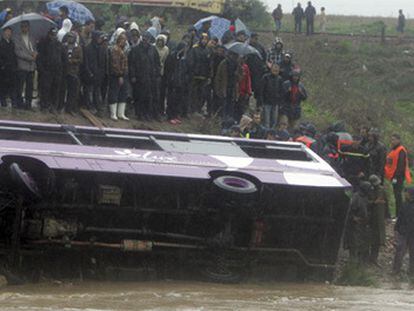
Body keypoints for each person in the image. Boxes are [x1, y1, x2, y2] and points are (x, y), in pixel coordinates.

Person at [128, 31, 161, 120]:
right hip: (139, 77)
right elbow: (132, 64)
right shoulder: (135, 50)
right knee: (139, 96)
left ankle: (148, 113)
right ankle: (139, 114)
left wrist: (157, 74)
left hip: (151, 77)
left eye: (148, 39)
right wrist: (133, 76)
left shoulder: (153, 50)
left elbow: (157, 63)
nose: (146, 40)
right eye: (144, 38)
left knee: (149, 97)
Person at [37, 28, 64, 113]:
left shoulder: (59, 44)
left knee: (55, 90)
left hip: (57, 71)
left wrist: (61, 69)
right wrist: (41, 69)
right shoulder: (43, 43)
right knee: (45, 89)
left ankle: (53, 106)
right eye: (52, 34)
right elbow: (40, 57)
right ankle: (44, 106)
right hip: (46, 70)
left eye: (55, 35)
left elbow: (63, 57)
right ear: (49, 34)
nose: (53, 36)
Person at [385, 134, 412, 217]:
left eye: (394, 140)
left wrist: (396, 177)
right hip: (393, 176)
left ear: (398, 140)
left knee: (398, 196)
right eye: (391, 140)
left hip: (398, 177)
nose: (392, 141)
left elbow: (400, 165)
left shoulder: (401, 150)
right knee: (396, 196)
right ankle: (398, 214)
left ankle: (399, 215)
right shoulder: (394, 150)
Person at [165, 42, 190, 124]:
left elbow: (186, 70)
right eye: (184, 48)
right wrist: (170, 79)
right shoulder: (172, 56)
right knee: (171, 99)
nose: (185, 50)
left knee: (178, 100)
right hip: (173, 82)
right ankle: (170, 116)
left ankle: (175, 115)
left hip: (181, 82)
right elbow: (168, 69)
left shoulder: (184, 58)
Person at [14, 21, 37, 110]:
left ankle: (28, 104)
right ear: (21, 28)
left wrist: (35, 54)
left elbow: (35, 49)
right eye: (23, 27)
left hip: (31, 67)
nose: (25, 28)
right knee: (20, 86)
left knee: (30, 87)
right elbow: (18, 52)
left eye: (26, 26)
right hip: (22, 66)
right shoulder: (17, 38)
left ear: (28, 27)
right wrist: (30, 57)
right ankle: (19, 103)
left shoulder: (32, 38)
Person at [83, 31, 107, 115]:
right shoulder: (88, 48)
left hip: (99, 74)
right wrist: (89, 72)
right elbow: (86, 62)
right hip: (90, 74)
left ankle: (97, 107)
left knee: (97, 92)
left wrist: (102, 73)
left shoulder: (101, 49)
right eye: (99, 38)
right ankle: (89, 106)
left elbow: (103, 62)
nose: (100, 40)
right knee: (88, 91)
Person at [392, 187, 414, 277]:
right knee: (400, 251)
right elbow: (400, 218)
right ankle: (396, 270)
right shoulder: (404, 204)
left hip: (412, 233)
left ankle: (412, 272)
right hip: (403, 232)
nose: (405, 194)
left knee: (413, 253)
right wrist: (396, 229)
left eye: (407, 193)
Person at [187, 33, 211, 115]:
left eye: (206, 39)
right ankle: (191, 109)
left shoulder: (207, 50)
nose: (204, 41)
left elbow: (209, 64)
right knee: (193, 93)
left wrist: (209, 76)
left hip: (204, 76)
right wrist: (193, 72)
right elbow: (191, 62)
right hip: (195, 75)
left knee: (201, 94)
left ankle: (198, 108)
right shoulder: (194, 49)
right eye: (203, 39)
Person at [348, 181, 371, 264]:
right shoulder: (356, 197)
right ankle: (353, 262)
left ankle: (361, 262)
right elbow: (350, 210)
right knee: (354, 243)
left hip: (363, 224)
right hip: (355, 225)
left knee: (363, 243)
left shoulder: (365, 196)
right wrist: (354, 218)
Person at [214, 51, 241, 121]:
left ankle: (229, 119)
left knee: (231, 104)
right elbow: (218, 77)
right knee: (224, 104)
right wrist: (218, 89)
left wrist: (237, 74)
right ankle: (222, 118)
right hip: (225, 87)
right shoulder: (224, 63)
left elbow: (240, 78)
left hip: (233, 88)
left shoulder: (237, 65)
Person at [108, 33, 129, 121]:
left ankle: (121, 113)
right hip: (116, 75)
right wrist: (119, 75)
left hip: (123, 75)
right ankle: (113, 113)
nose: (124, 41)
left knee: (123, 93)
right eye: (122, 39)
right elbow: (115, 64)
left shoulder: (123, 50)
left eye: (125, 40)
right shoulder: (115, 49)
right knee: (114, 93)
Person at [62, 31, 83, 115]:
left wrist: (72, 61)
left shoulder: (78, 48)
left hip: (74, 71)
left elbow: (81, 60)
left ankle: (70, 108)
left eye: (72, 37)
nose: (70, 38)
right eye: (69, 37)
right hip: (64, 70)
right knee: (62, 90)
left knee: (73, 91)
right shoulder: (64, 46)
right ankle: (60, 107)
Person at [368, 174, 387, 265]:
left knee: (378, 239)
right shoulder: (369, 191)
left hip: (380, 218)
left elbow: (385, 202)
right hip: (371, 219)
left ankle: (374, 258)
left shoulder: (382, 190)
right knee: (370, 239)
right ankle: (367, 258)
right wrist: (374, 202)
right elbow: (367, 203)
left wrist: (388, 216)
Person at [260, 64, 283, 129]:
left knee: (274, 121)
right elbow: (261, 90)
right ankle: (266, 134)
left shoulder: (280, 79)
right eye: (274, 68)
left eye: (277, 68)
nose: (275, 70)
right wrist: (261, 102)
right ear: (271, 69)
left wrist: (280, 102)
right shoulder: (266, 77)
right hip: (266, 102)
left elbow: (281, 91)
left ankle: (272, 134)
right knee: (266, 121)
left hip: (275, 103)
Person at [0, 26, 17, 107]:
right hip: (4, 68)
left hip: (12, 68)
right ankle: (3, 102)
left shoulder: (12, 43)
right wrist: (2, 65)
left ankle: (14, 102)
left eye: (10, 32)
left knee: (12, 85)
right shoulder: (1, 43)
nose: (8, 33)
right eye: (7, 32)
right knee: (3, 85)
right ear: (4, 33)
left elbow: (14, 55)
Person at [155, 34, 169, 118]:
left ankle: (160, 110)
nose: (160, 42)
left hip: (161, 71)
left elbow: (165, 60)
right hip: (153, 71)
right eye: (159, 40)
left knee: (161, 92)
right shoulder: (153, 47)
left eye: (162, 41)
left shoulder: (166, 49)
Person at [236, 57, 252, 122]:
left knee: (241, 109)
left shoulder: (245, 67)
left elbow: (248, 79)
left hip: (243, 92)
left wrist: (249, 91)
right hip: (235, 91)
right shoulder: (235, 66)